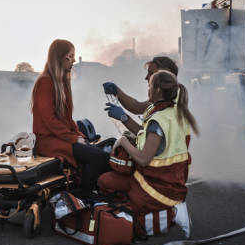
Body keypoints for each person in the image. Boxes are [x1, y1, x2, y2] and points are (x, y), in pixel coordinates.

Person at [98, 70, 199, 230]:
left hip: (154, 187)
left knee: (105, 181)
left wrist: (123, 141)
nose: (148, 89)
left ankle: (138, 211)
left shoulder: (159, 119)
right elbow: (145, 134)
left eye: (150, 85)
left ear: (158, 89)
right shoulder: (173, 111)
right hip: (173, 183)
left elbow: (144, 159)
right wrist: (123, 117)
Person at [31, 39, 110, 191]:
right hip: (49, 142)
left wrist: (79, 135)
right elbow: (49, 120)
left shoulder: (61, 82)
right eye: (71, 56)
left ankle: (86, 192)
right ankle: (84, 196)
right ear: (61, 57)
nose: (74, 60)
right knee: (100, 158)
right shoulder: (45, 82)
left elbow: (67, 119)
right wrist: (74, 138)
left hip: (61, 138)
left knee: (100, 153)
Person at [103, 56, 179, 132]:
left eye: (151, 73)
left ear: (166, 76)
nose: (146, 77)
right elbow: (137, 107)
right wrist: (117, 91)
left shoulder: (168, 107)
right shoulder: (163, 101)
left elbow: (148, 139)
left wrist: (124, 117)